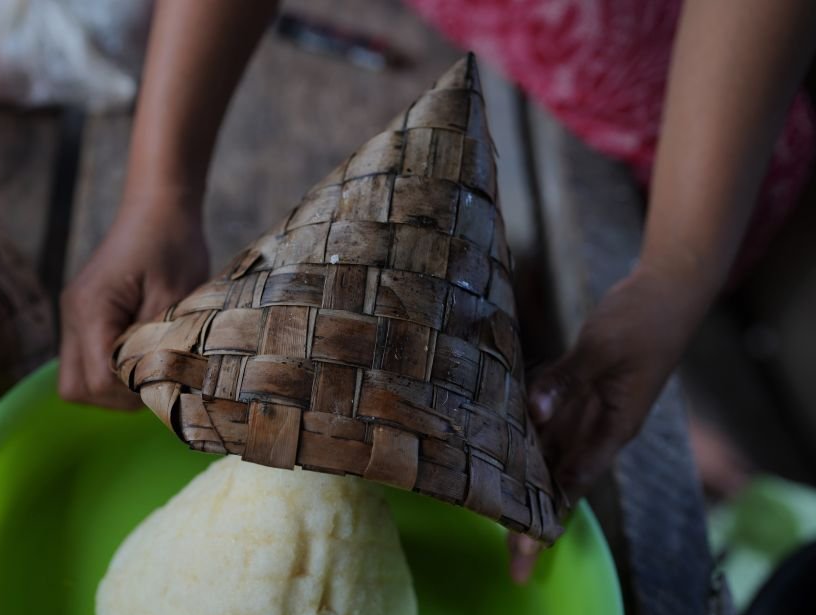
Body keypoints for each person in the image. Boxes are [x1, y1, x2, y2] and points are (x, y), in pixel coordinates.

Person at [58, 0, 816, 580]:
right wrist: (161, 192)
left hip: (713, 133)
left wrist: (676, 270)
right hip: (520, 64)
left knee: (694, 454)